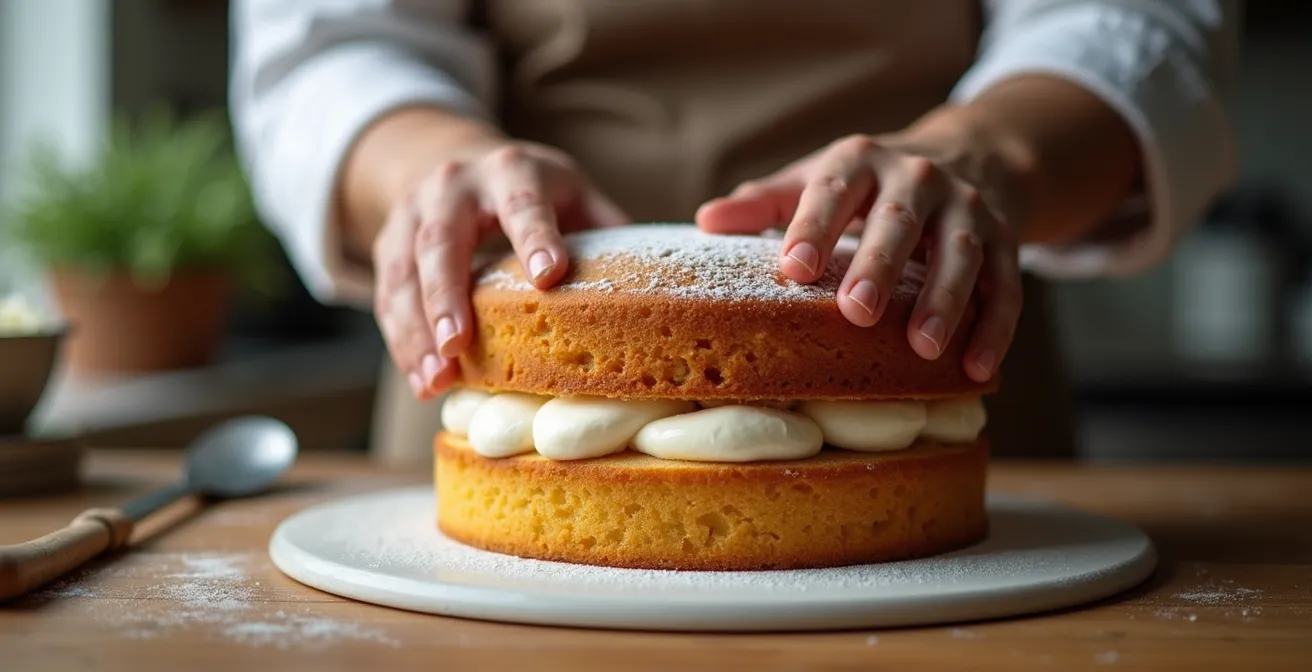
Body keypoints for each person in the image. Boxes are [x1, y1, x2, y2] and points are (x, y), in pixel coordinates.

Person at [229, 0, 1237, 464]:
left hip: (923, 327)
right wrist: (426, 165)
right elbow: (330, 41)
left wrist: (991, 156)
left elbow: (1135, 19)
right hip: (515, 371)